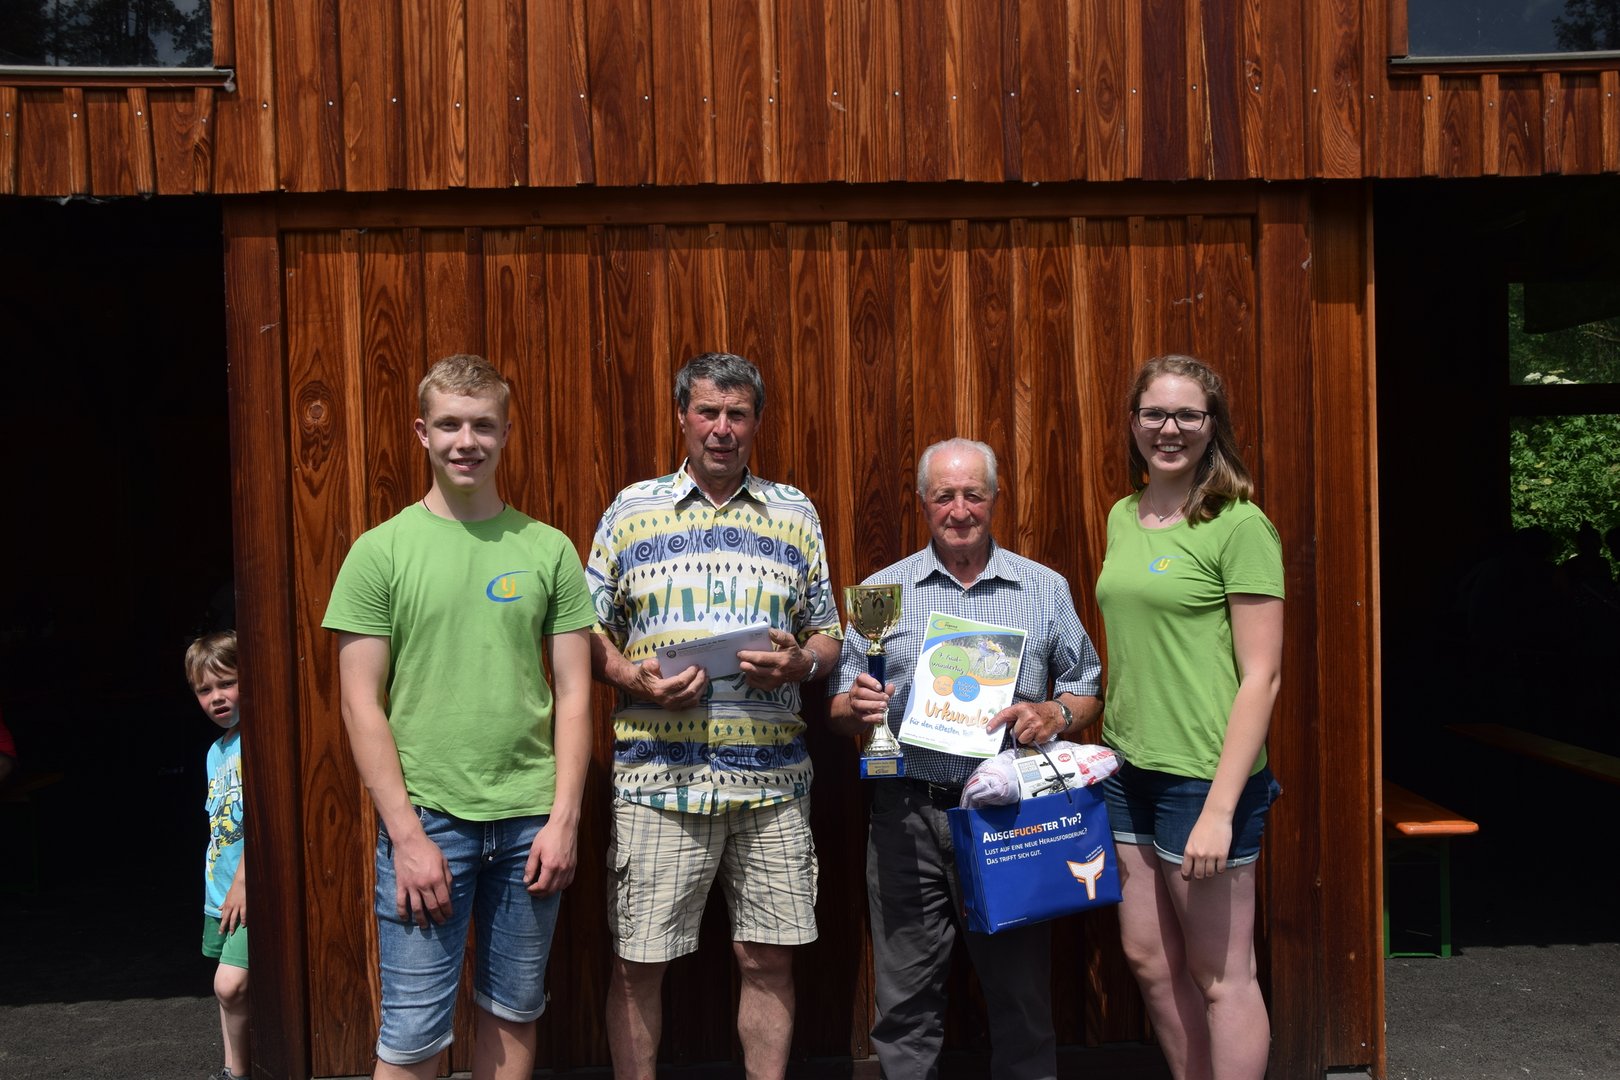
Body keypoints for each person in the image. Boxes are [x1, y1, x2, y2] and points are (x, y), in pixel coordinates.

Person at [322, 354, 594, 1080]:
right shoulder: (379, 552)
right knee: (413, 1034)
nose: (465, 441)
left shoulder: (548, 549)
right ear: (422, 432)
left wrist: (564, 819)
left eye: (482, 425)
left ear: (506, 432)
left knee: (514, 1011)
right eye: (448, 425)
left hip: (530, 820)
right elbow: (359, 703)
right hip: (428, 820)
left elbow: (575, 693)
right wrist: (407, 838)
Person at [587, 352, 843, 1080]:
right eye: (708, 412)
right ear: (683, 417)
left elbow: (828, 631)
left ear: (756, 422)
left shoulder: (794, 511)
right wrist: (630, 675)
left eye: (737, 414)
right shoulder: (632, 509)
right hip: (657, 785)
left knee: (767, 961)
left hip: (773, 787)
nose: (722, 428)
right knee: (638, 963)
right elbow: (585, 630)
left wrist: (801, 665)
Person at [828, 437, 1104, 1080]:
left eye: (973, 495)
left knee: (1022, 1001)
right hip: (906, 817)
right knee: (903, 1004)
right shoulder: (883, 591)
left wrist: (1054, 714)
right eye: (944, 496)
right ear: (922, 503)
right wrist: (857, 707)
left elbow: (1087, 686)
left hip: (1007, 819)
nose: (959, 510)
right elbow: (838, 708)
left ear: (995, 499)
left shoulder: (1042, 588)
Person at [1094, 354, 1285, 1080]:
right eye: (1154, 414)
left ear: (1213, 427)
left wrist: (1220, 810)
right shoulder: (1124, 514)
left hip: (1203, 778)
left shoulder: (1239, 525)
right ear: (1134, 422)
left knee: (1223, 977)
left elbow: (1262, 677)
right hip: (1129, 769)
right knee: (1148, 958)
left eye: (1187, 415)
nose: (1168, 429)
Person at [184, 630, 250, 1080]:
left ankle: (239, 1073)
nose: (217, 697)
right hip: (221, 892)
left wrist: (244, 882)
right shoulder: (216, 750)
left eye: (227, 683)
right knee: (228, 992)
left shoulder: (256, 740)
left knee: (230, 985)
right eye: (204, 690)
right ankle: (230, 1069)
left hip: (247, 890)